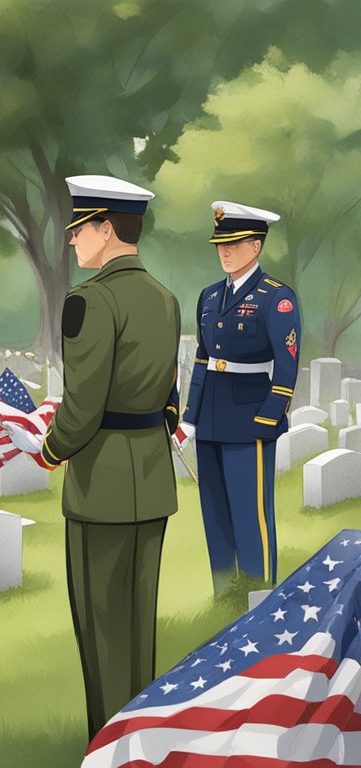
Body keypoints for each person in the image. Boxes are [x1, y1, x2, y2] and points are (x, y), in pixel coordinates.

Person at [5, 175, 181, 740]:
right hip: (151, 481)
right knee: (137, 626)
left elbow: (82, 409)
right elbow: (170, 399)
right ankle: (142, 738)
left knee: (102, 631)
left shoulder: (89, 301)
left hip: (100, 485)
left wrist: (48, 449)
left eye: (80, 229)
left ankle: (109, 746)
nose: (72, 241)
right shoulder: (167, 299)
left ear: (107, 229)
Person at [178, 201, 299, 594]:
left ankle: (260, 597)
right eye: (220, 244)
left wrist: (269, 416)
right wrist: (189, 418)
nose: (224, 251)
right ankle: (224, 597)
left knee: (251, 514)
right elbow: (202, 358)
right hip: (211, 417)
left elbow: (287, 363)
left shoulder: (275, 297)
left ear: (256, 246)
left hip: (250, 418)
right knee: (215, 515)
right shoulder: (209, 296)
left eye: (234, 243)